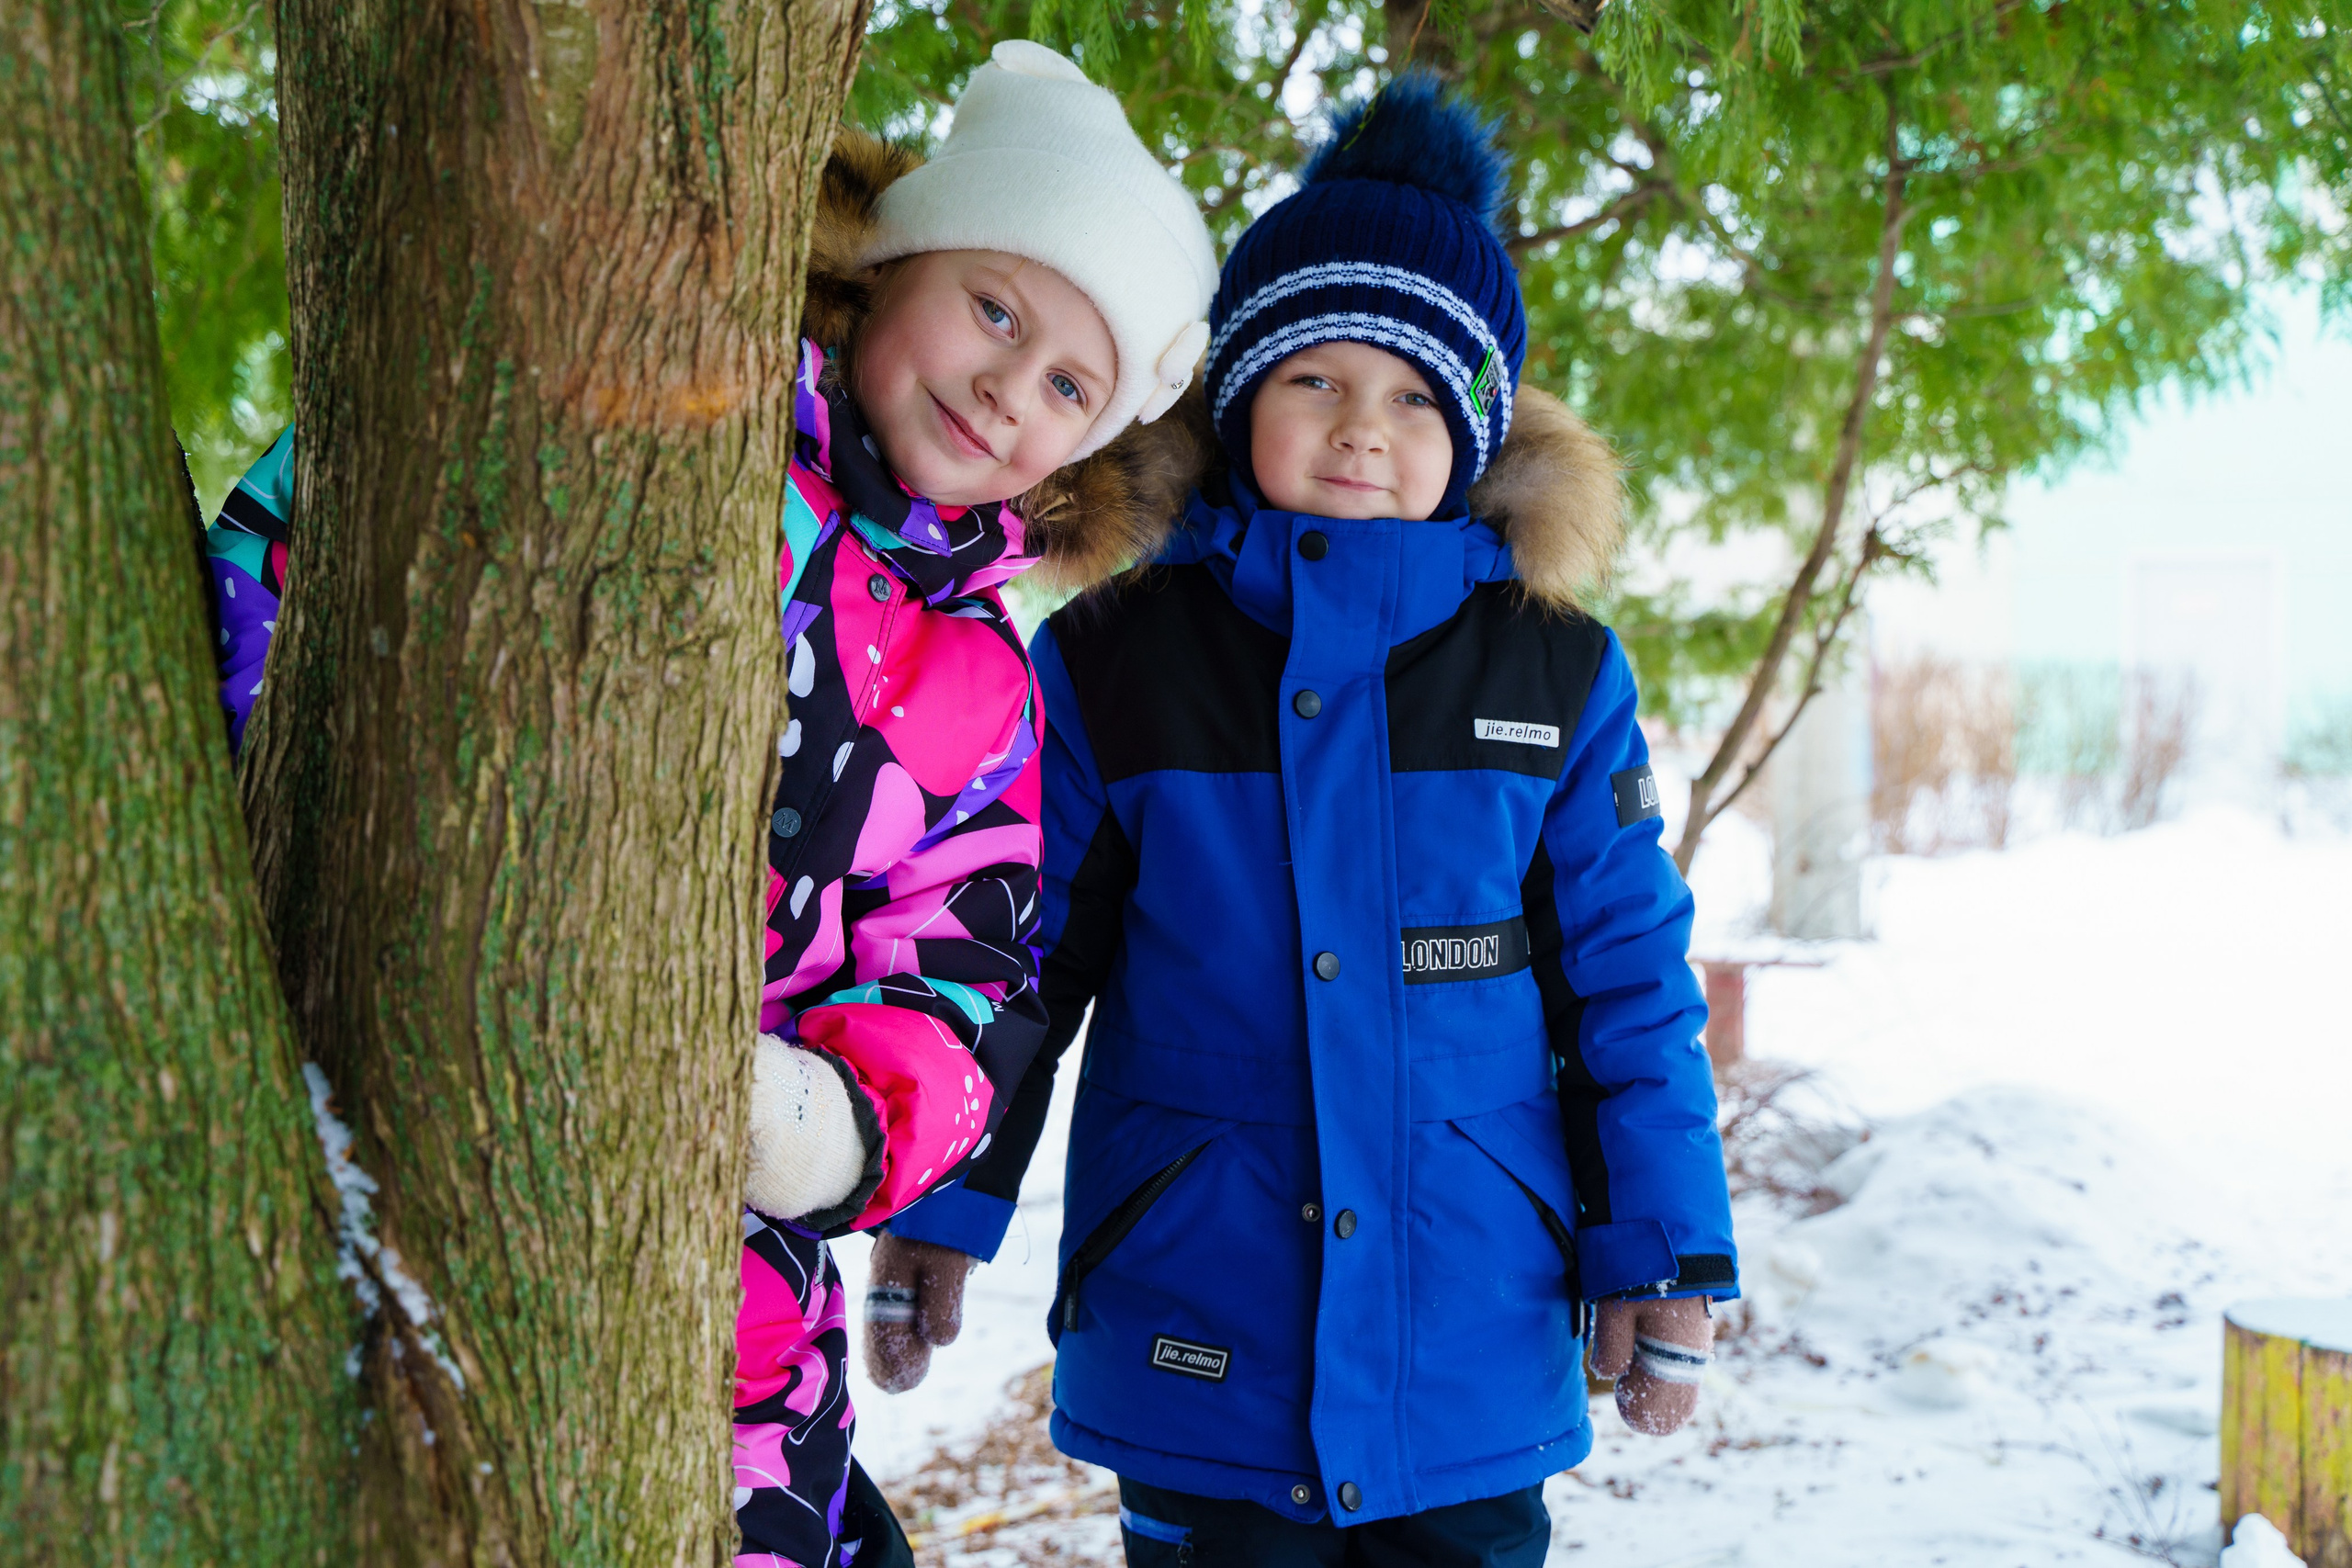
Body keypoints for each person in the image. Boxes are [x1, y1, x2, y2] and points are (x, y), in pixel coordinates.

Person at [198, 40, 1217, 1568]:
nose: (1009, 386)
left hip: (728, 1244)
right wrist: (257, 788)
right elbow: (306, 553)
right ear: (891, 267)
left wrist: (838, 1126)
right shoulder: (654, 425)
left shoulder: (985, 685)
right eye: (994, 308)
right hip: (398, 1071)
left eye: (1070, 380)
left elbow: (969, 968)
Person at [872, 75, 1737, 1566]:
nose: (1361, 431)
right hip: (1200, 1311)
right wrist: (939, 1214)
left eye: (1411, 395)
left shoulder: (1550, 669)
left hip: (1468, 1328)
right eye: (1314, 380)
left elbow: (1627, 983)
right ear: (1243, 396)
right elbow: (1019, 963)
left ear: (1469, 429)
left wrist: (1658, 1247)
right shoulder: (1117, 655)